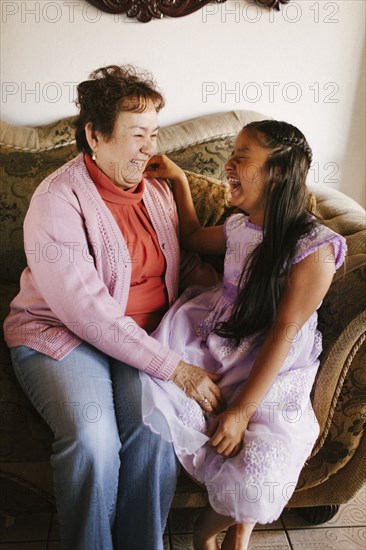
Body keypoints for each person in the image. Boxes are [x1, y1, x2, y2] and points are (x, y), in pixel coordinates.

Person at [3, 65, 224, 550]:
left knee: (155, 430)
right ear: (95, 136)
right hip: (62, 337)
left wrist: (228, 304)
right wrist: (177, 370)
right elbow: (84, 311)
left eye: (155, 134)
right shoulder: (57, 200)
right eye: (137, 134)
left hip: (142, 340)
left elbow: (179, 269)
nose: (151, 147)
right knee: (93, 440)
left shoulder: (158, 193)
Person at [139, 120, 347, 550]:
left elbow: (283, 336)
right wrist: (179, 180)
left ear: (276, 172)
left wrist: (242, 412)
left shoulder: (314, 248)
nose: (228, 165)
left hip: (273, 355)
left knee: (263, 457)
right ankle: (238, 531)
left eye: (242, 157)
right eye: (231, 154)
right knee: (161, 395)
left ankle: (211, 531)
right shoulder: (240, 226)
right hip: (218, 334)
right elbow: (193, 237)